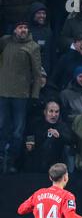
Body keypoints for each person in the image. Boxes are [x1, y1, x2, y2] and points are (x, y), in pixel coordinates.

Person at [0, 20, 41, 174]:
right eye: (20, 27)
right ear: (15, 30)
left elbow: (37, 74)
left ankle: (12, 161)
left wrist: (34, 95)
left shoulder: (33, 46)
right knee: (2, 127)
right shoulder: (5, 41)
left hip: (21, 95)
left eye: (25, 27)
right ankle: (1, 157)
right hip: (2, 92)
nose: (23, 30)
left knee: (18, 131)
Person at [24, 100, 73, 173]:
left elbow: (72, 140)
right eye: (51, 111)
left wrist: (60, 136)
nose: (54, 115)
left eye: (57, 112)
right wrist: (30, 146)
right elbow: (30, 139)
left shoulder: (63, 126)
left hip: (57, 163)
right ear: (45, 112)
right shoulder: (36, 125)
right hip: (37, 161)